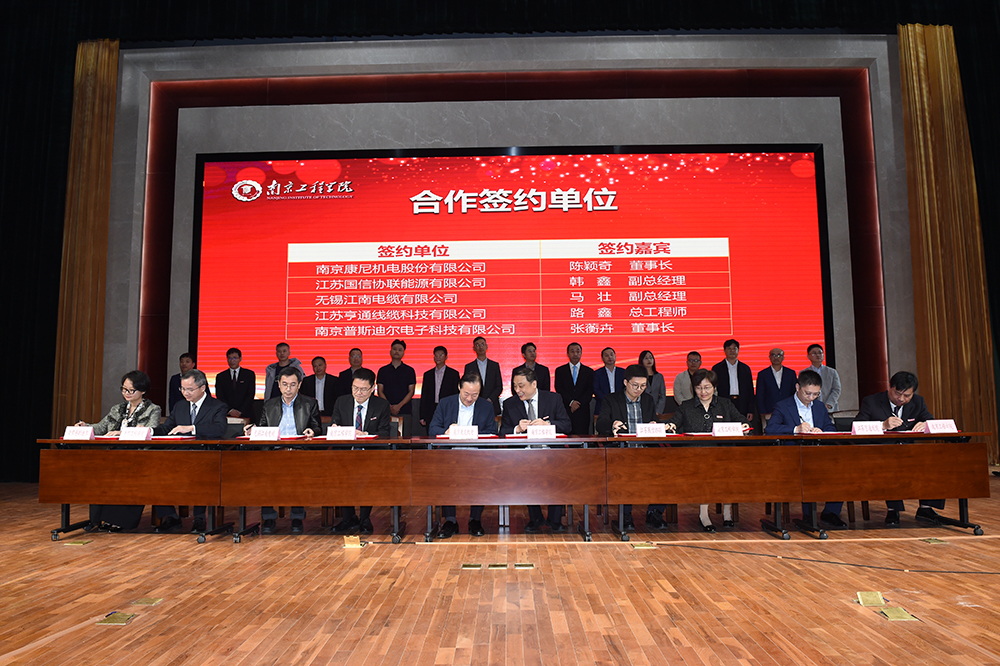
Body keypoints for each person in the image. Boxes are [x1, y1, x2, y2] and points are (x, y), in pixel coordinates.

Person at [75, 370, 161, 532]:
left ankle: (120, 521)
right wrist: (86, 426)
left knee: (125, 477)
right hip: (113, 454)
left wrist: (123, 433)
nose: (126, 393)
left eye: (131, 390)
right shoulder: (117, 409)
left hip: (138, 456)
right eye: (124, 389)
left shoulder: (153, 409)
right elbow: (101, 428)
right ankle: (98, 519)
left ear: (143, 391)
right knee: (99, 474)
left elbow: (151, 431)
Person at [666, 369, 749, 532]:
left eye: (707, 387)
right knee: (705, 471)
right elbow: (673, 423)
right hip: (696, 456)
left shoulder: (725, 404)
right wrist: (670, 426)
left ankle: (727, 513)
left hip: (723, 454)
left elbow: (742, 420)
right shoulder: (687, 406)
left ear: (714, 387)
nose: (703, 392)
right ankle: (703, 515)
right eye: (698, 388)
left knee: (729, 469)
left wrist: (744, 426)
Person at [855, 371, 939, 525]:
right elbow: (857, 427)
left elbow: (932, 421)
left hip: (909, 452)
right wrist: (882, 425)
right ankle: (893, 510)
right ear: (890, 387)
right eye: (897, 393)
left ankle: (926, 508)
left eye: (907, 395)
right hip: (881, 453)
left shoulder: (918, 402)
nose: (901, 399)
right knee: (891, 464)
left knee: (933, 461)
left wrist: (926, 424)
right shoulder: (872, 401)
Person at [245, 366, 321, 534]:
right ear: (279, 385)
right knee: (265, 476)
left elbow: (317, 427)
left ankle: (297, 517)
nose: (288, 389)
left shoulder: (310, 403)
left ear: (299, 385)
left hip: (299, 451)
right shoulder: (269, 405)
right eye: (285, 384)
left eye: (293, 385)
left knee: (297, 475)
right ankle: (268, 517)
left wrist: (312, 431)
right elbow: (263, 428)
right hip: (274, 451)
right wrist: (253, 430)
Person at [765, 369, 845, 528]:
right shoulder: (783, 406)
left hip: (819, 452)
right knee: (808, 470)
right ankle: (809, 515)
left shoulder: (820, 407)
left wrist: (822, 431)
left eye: (816, 394)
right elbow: (771, 429)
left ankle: (831, 512)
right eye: (808, 393)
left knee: (841, 470)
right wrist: (795, 429)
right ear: (798, 387)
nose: (811, 398)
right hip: (793, 455)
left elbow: (830, 428)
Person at [153, 369, 229, 532]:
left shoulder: (217, 406)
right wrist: (149, 431)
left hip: (205, 455)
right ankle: (171, 516)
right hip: (180, 455)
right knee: (155, 471)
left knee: (201, 472)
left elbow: (219, 428)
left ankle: (199, 517)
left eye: (189, 389)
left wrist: (192, 428)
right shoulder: (180, 406)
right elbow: (167, 428)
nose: (185, 393)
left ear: (202, 388)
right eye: (182, 389)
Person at [596, 364, 669, 530]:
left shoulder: (648, 400)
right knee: (624, 470)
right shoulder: (611, 399)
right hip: (622, 451)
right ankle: (626, 514)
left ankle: (655, 512)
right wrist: (612, 424)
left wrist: (654, 425)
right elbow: (600, 423)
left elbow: (654, 422)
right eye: (635, 385)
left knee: (666, 468)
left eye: (643, 386)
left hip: (645, 450)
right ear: (625, 382)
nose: (639, 390)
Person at [500, 367, 572, 533]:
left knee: (560, 471)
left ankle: (555, 520)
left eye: (521, 386)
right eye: (515, 386)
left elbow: (567, 425)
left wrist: (548, 424)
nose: (517, 390)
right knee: (524, 472)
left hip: (551, 452)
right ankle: (535, 518)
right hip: (524, 454)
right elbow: (502, 432)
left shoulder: (553, 399)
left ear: (534, 384)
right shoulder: (510, 404)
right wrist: (517, 429)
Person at [428, 372, 498, 538]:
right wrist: (447, 431)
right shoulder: (446, 403)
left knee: (482, 474)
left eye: (475, 395)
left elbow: (492, 432)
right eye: (466, 394)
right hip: (450, 453)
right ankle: (450, 520)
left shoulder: (486, 406)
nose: (469, 398)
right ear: (459, 387)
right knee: (445, 475)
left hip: (477, 454)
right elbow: (432, 429)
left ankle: (475, 519)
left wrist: (475, 434)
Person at [331, 368, 393, 535]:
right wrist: (336, 428)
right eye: (355, 388)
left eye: (363, 389)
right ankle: (348, 518)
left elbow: (385, 433)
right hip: (345, 453)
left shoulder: (381, 405)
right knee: (338, 473)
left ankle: (365, 518)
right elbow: (334, 424)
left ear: (372, 388)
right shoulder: (341, 402)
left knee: (368, 474)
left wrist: (365, 434)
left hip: (369, 453)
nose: (358, 393)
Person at [377, 339, 417, 438]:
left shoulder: (409, 371)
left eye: (400, 350)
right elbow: (380, 391)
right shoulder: (383, 370)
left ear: (403, 353)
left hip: (405, 411)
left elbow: (411, 391)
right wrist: (389, 406)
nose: (397, 351)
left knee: (405, 439)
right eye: (394, 349)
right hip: (386, 412)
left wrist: (398, 406)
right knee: (385, 438)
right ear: (390, 351)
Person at [554, 342, 595, 435]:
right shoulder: (560, 370)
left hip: (582, 411)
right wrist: (571, 402)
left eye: (578, 351)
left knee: (582, 436)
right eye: (572, 351)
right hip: (565, 410)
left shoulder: (589, 371)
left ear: (581, 353)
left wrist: (578, 404)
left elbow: (590, 390)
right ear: (567, 354)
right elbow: (559, 389)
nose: (575, 354)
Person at [710, 339, 755, 423]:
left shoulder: (745, 368)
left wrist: (750, 410)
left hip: (742, 404)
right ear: (724, 350)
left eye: (734, 348)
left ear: (738, 350)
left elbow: (750, 390)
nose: (732, 351)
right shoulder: (717, 368)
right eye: (729, 348)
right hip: (723, 403)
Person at [419, 345, 459, 430]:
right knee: (431, 433)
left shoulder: (453, 374)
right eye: (436, 355)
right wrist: (422, 415)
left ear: (446, 357)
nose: (438, 357)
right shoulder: (428, 375)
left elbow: (456, 394)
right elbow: (424, 395)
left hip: (448, 409)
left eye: (441, 355)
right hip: (431, 410)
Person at [755, 348, 797, 422]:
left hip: (788, 410)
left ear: (783, 357)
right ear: (769, 357)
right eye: (773, 355)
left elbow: (794, 393)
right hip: (769, 412)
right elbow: (760, 395)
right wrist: (763, 413)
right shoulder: (763, 374)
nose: (776, 357)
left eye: (779, 355)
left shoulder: (791, 373)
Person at [464, 336, 503, 416]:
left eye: (482, 344)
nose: (480, 347)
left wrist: (490, 399)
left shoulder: (494, 365)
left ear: (486, 346)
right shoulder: (469, 367)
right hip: (475, 405)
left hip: (492, 405)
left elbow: (499, 386)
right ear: (474, 348)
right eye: (477, 345)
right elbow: (466, 387)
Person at [214, 347, 256, 420]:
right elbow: (220, 396)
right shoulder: (221, 376)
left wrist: (240, 411)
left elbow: (250, 394)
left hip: (246, 413)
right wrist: (230, 410)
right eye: (229, 358)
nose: (232, 361)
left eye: (234, 358)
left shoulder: (249, 374)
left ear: (240, 359)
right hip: (227, 414)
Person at [802, 343, 841, 412]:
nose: (817, 355)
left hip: (830, 409)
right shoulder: (804, 373)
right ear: (808, 356)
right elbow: (803, 391)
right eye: (814, 353)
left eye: (820, 353)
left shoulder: (832, 372)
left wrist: (828, 404)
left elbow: (836, 390)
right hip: (810, 408)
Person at [593, 347, 624, 415]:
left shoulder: (623, 372)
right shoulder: (597, 373)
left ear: (615, 356)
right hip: (602, 405)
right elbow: (596, 389)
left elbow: (626, 388)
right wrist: (607, 400)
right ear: (602, 358)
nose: (610, 357)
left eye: (611, 355)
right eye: (606, 355)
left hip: (620, 405)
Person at [638, 350, 667, 414]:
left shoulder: (659, 377)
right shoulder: (638, 377)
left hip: (656, 409)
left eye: (650, 358)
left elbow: (662, 395)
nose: (649, 360)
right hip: (641, 409)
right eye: (646, 358)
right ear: (641, 360)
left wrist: (658, 411)